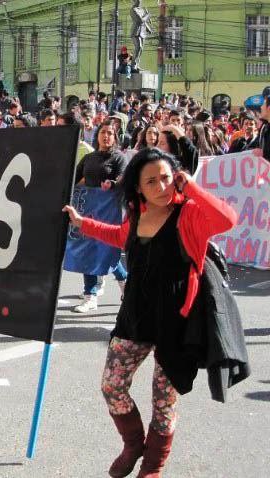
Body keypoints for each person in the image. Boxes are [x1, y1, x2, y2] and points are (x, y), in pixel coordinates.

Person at [62, 148, 237, 478]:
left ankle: (152, 467)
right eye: (151, 181)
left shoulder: (189, 214)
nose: (162, 186)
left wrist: (192, 187)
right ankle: (133, 445)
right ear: (138, 188)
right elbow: (118, 237)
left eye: (167, 178)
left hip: (177, 325)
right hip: (134, 319)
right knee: (112, 386)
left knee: (164, 402)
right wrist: (82, 223)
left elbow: (227, 220)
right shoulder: (136, 214)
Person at [73, 122, 128, 313]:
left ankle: (124, 281)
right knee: (88, 251)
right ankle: (90, 296)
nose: (106, 136)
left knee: (107, 251)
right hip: (88, 209)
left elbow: (123, 178)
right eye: (103, 132)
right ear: (97, 136)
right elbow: (73, 178)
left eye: (110, 133)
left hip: (108, 211)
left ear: (115, 137)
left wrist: (112, 184)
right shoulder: (89, 158)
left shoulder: (118, 158)